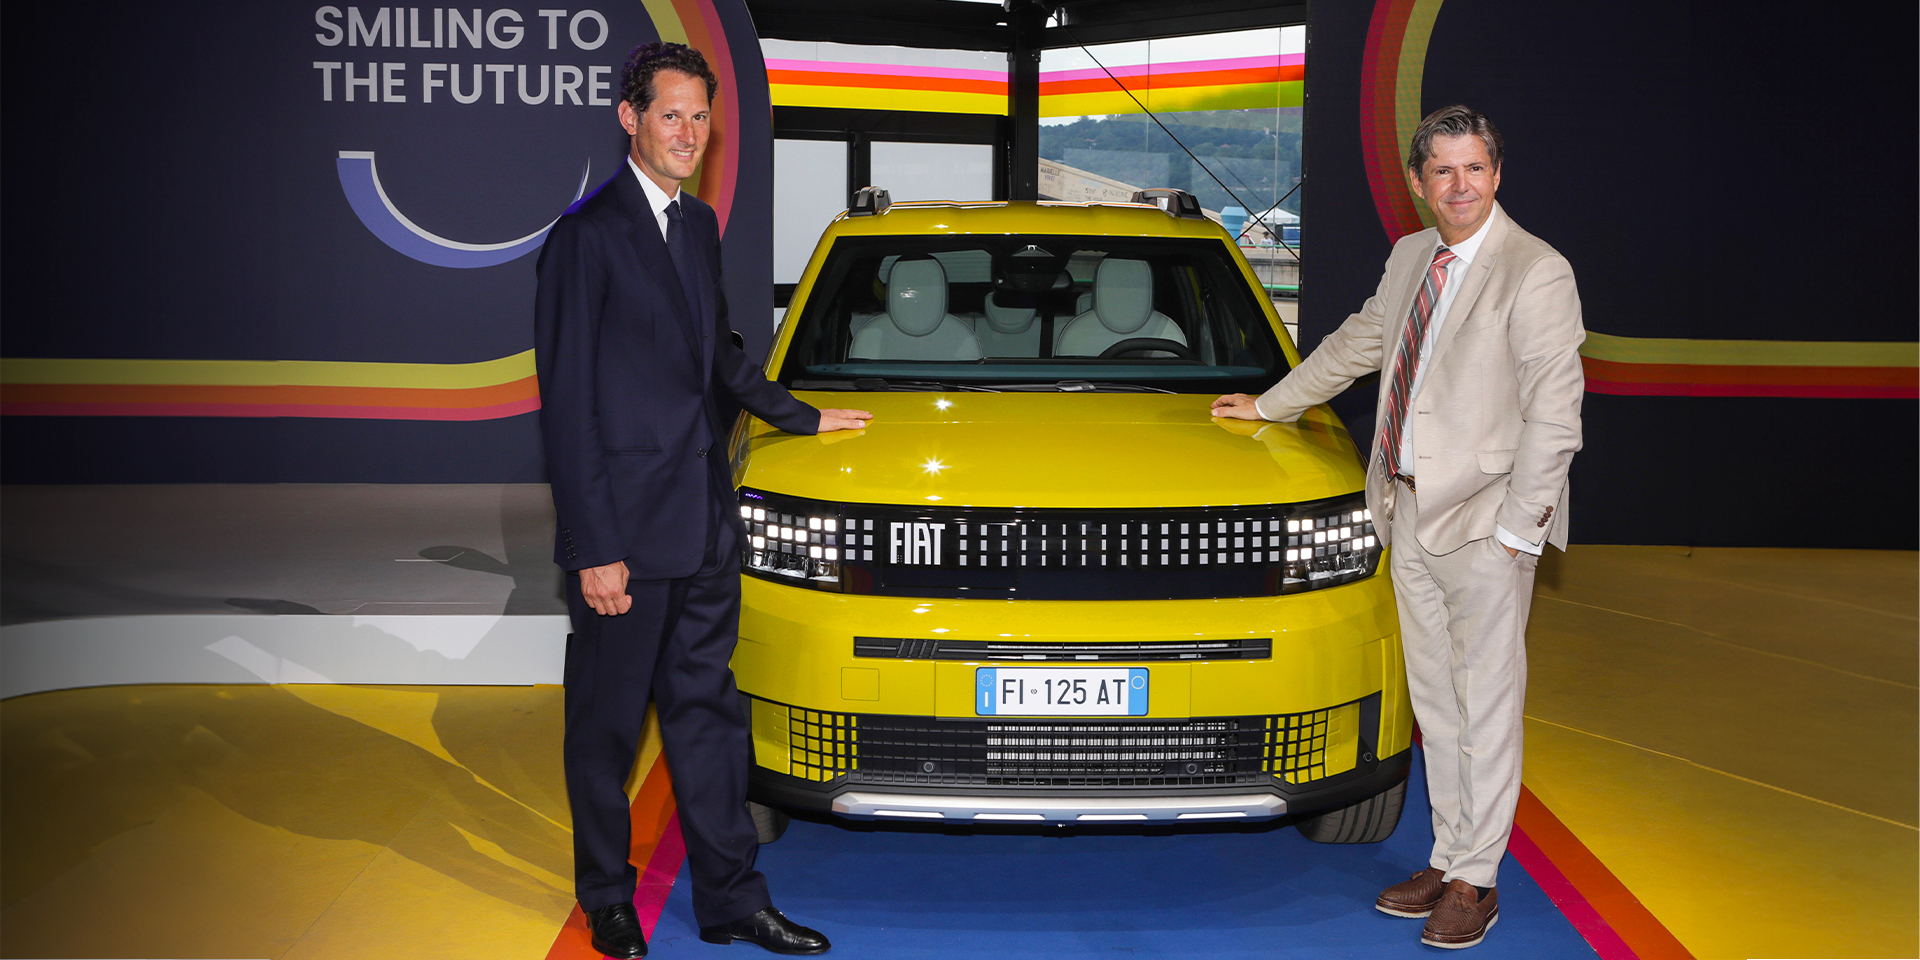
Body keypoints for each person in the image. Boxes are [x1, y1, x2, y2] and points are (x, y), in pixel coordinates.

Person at [1212, 105, 1583, 949]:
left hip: (1487, 522)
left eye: (1475, 168)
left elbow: (1556, 417)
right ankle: (1449, 858)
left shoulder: (1536, 270)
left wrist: (1518, 533)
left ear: (1498, 175)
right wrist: (1269, 405)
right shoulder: (1414, 255)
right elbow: (1359, 344)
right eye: (1442, 170)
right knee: (1437, 704)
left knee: (1486, 705)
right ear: (1419, 183)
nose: (1460, 185)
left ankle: (1478, 880)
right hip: (1406, 509)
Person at [534, 41, 870, 959]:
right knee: (605, 733)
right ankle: (607, 897)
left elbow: (716, 356)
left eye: (700, 116)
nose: (688, 133)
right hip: (624, 542)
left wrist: (802, 417)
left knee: (710, 725)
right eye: (670, 114)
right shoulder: (584, 238)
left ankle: (732, 901)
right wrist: (594, 548)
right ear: (629, 117)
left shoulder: (695, 224)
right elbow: (567, 407)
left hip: (704, 526)